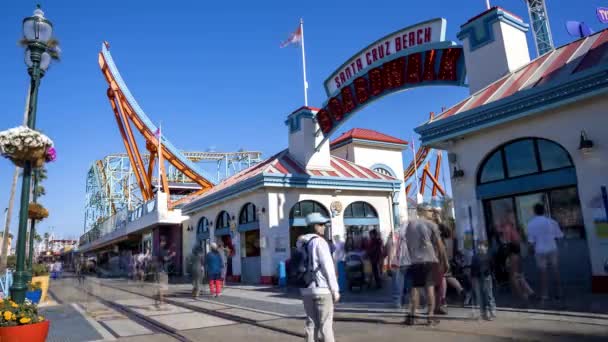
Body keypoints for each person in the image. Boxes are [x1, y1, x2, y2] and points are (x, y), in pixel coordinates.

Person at [297, 213, 339, 342]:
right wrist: (335, 290)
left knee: (311, 324)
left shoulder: (301, 243)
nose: (324, 227)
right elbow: (328, 267)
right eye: (321, 225)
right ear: (315, 226)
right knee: (326, 326)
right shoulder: (320, 242)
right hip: (322, 288)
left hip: (306, 288)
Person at [404, 206, 447, 326]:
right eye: (430, 211)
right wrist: (444, 261)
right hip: (429, 259)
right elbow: (440, 245)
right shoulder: (431, 224)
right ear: (422, 211)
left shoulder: (410, 225)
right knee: (430, 288)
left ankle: (413, 316)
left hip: (414, 261)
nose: (432, 213)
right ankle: (430, 316)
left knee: (415, 288)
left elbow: (407, 243)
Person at [527, 203, 564, 302]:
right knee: (555, 270)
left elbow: (531, 242)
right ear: (544, 211)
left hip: (539, 250)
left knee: (543, 273)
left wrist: (530, 251)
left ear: (534, 211)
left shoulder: (531, 224)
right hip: (552, 248)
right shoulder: (551, 222)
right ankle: (559, 293)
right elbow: (559, 236)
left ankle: (545, 295)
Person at [386, 222, 412, 309]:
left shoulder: (394, 237)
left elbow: (391, 250)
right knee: (407, 284)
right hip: (408, 262)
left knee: (397, 284)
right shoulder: (409, 236)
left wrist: (389, 263)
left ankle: (397, 302)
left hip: (396, 263)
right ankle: (406, 302)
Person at [471, 241, 496, 320]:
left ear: (486, 247)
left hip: (486, 278)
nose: (479, 247)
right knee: (479, 296)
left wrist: (492, 276)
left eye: (481, 246)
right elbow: (472, 269)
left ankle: (492, 311)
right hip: (477, 278)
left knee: (488, 295)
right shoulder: (475, 257)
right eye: (479, 246)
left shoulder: (488, 256)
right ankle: (483, 313)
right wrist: (472, 278)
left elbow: (492, 267)